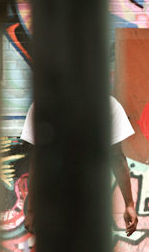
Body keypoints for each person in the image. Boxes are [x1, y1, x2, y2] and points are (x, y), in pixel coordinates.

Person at [20, 96, 139, 236]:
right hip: (88, 199)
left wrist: (32, 210)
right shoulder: (107, 104)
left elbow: (38, 161)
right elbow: (117, 158)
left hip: (56, 201)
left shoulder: (43, 104)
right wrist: (129, 204)